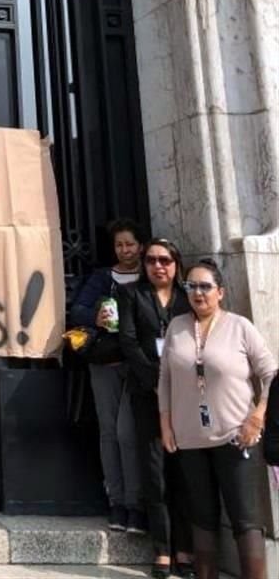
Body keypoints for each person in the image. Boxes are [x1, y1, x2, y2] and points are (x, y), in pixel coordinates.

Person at [159, 259, 276, 579]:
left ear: (220, 292)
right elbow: (165, 379)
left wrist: (258, 415)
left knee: (245, 518)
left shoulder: (240, 326)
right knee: (202, 517)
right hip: (189, 438)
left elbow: (271, 374)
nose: (197, 293)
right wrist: (166, 423)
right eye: (191, 286)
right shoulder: (176, 327)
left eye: (205, 286)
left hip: (237, 436)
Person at [118, 238, 194, 579]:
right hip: (148, 393)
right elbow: (129, 342)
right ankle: (162, 548)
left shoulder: (188, 298)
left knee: (186, 473)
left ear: (176, 264)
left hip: (186, 395)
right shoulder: (133, 296)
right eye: (151, 260)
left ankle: (185, 547)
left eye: (164, 260)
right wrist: (154, 379)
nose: (157, 266)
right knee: (155, 471)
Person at [70, 219, 144, 532]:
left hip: (140, 367)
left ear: (141, 245)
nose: (125, 250)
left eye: (129, 244)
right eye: (119, 245)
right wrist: (95, 316)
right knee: (109, 432)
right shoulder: (102, 278)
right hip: (106, 363)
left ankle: (136, 503)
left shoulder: (151, 275)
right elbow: (78, 310)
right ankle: (117, 502)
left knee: (128, 434)